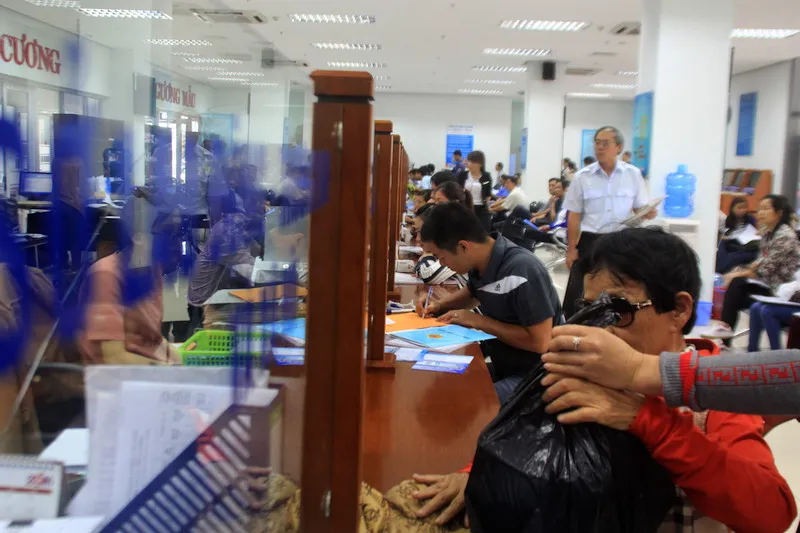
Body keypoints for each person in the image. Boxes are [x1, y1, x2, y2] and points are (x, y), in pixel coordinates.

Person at [539, 227, 796, 533]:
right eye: (589, 309)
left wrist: (652, 424)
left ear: (679, 310)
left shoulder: (713, 399)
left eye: (618, 309)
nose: (601, 328)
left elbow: (772, 514)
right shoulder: (588, 373)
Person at [415, 202, 561, 397]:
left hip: (536, 376)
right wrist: (439, 305)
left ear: (463, 246)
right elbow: (473, 292)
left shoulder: (522, 270)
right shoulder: (482, 261)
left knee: (465, 403)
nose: (441, 263)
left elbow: (540, 342)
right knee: (442, 384)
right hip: (506, 365)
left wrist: (479, 321)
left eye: (441, 257)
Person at [561, 126, 654, 319]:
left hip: (621, 240)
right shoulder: (582, 177)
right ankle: (573, 325)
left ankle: (616, 324)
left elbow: (639, 208)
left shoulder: (632, 174)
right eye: (597, 143)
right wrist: (571, 249)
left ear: (618, 147)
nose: (600, 147)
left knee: (620, 288)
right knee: (578, 291)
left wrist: (648, 213)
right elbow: (574, 215)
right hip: (591, 240)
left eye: (605, 143)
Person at [77, 201, 183, 365]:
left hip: (145, 370)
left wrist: (180, 363)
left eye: (179, 232)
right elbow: (113, 358)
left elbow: (152, 338)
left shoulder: (153, 271)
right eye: (167, 232)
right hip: (115, 377)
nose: (177, 243)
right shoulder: (106, 276)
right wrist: (169, 371)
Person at [717, 194, 800, 339]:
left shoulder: (785, 236)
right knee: (736, 287)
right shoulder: (768, 233)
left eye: (766, 209)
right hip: (768, 284)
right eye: (759, 209)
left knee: (737, 285)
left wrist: (737, 274)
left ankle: (724, 334)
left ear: (778, 213)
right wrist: (741, 271)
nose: (761, 213)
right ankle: (725, 334)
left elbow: (764, 269)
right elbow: (759, 264)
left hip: (782, 290)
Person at [716, 196, 759, 274]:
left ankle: (719, 271)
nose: (742, 210)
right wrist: (727, 238)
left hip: (747, 245)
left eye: (744, 208)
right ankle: (718, 269)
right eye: (739, 208)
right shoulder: (729, 219)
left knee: (731, 256)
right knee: (722, 244)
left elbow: (754, 233)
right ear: (732, 208)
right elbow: (727, 233)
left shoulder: (750, 219)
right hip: (734, 243)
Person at [456, 151, 493, 231]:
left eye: (472, 161)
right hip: (465, 207)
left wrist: (486, 203)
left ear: (480, 164)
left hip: (481, 208)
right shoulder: (463, 175)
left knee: (482, 231)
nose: (469, 163)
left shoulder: (486, 176)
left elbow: (488, 194)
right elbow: (457, 190)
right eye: (469, 161)